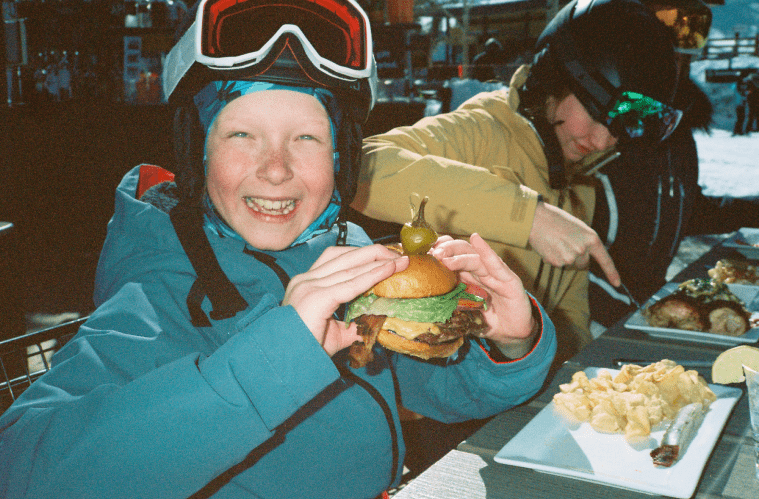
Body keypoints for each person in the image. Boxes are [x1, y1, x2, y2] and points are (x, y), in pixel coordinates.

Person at [0, 0, 557, 497]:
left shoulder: (342, 253)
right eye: (241, 135)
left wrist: (506, 342)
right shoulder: (154, 296)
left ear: (342, 162)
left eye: (307, 138)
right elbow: (22, 472)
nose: (275, 169)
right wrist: (275, 358)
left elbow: (435, 385)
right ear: (196, 153)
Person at [353, 0, 681, 366]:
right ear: (557, 81)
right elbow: (365, 166)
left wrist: (573, 377)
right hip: (436, 378)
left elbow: (571, 317)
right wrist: (528, 217)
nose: (602, 141)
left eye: (619, 128)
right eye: (595, 112)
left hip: (515, 378)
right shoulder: (481, 130)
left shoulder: (578, 184)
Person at [588, 0, 759, 328]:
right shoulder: (594, 129)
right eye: (658, 23)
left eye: (690, 26)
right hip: (590, 324)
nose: (672, 52)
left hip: (647, 313)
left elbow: (684, 211)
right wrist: (625, 317)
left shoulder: (676, 134)